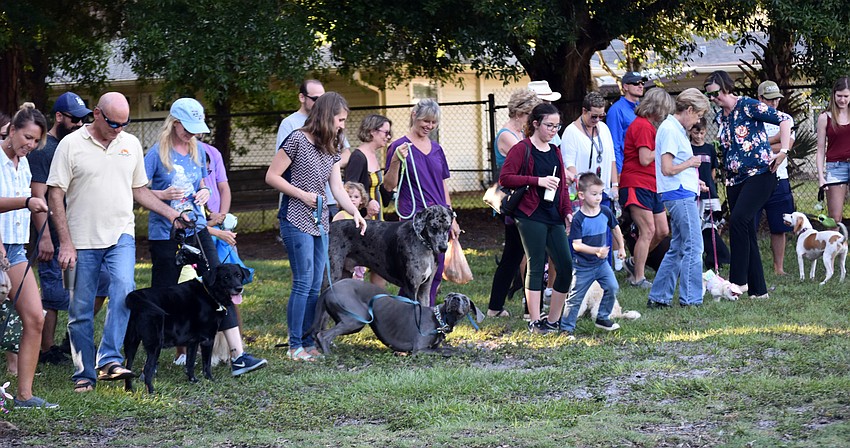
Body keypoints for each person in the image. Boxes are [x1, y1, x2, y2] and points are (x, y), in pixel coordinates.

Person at [48, 92, 184, 393]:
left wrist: (172, 214)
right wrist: (65, 243)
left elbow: (140, 189)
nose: (119, 129)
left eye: (125, 123)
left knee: (124, 289)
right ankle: (84, 373)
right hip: (81, 240)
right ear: (97, 114)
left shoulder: (130, 144)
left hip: (121, 234)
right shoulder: (71, 145)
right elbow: (55, 193)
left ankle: (109, 359)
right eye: (113, 123)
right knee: (81, 309)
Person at [145, 98, 266, 375]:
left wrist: (205, 192)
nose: (192, 134)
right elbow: (137, 190)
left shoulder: (198, 150)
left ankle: (238, 356)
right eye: (187, 128)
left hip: (197, 229)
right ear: (174, 123)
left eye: (195, 129)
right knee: (163, 293)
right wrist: (162, 194)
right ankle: (152, 360)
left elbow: (201, 182)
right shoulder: (156, 153)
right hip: (166, 234)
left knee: (219, 283)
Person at [266, 92, 366, 361]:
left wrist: (355, 212)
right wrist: (301, 194)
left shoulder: (331, 146)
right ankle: (295, 345)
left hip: (320, 220)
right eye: (340, 119)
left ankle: (309, 342)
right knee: (303, 281)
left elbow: (337, 187)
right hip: (294, 218)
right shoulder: (297, 139)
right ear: (326, 115)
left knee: (314, 285)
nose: (342, 125)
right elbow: (272, 176)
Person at [705, 71, 791, 298]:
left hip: (760, 174)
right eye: (709, 95)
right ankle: (759, 290)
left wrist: (783, 151)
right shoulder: (721, 117)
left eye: (715, 93)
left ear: (725, 87)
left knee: (739, 220)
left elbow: (784, 120)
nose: (712, 98)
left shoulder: (748, 105)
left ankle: (738, 281)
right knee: (747, 230)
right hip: (734, 179)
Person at [27, 92, 99, 365]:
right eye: (75, 119)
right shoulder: (44, 150)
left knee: (81, 288)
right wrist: (44, 237)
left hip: (76, 233)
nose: (80, 124)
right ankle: (46, 350)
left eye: (83, 119)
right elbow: (38, 197)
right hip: (53, 236)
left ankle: (70, 338)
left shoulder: (76, 145)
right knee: (54, 295)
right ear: (59, 117)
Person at [499, 103, 573, 334]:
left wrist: (567, 210)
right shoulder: (522, 148)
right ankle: (535, 320)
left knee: (565, 265)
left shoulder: (555, 150)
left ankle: (553, 320)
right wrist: (537, 181)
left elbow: (562, 185)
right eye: (549, 125)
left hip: (553, 214)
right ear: (535, 124)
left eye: (557, 126)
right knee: (536, 262)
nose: (553, 130)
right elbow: (505, 178)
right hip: (530, 213)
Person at [0, 103, 55, 408]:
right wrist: (26, 201)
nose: (31, 144)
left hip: (16, 250)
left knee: (35, 318)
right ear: (12, 130)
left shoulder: (25, 164)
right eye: (27, 137)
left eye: (36, 140)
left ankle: (24, 395)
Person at [383, 98, 461, 306]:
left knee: (436, 271)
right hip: (414, 217)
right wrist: (396, 160)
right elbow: (389, 185)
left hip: (439, 219)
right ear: (414, 116)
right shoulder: (399, 147)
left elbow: (443, 184)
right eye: (426, 121)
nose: (429, 126)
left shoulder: (437, 149)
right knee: (413, 274)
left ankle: (424, 315)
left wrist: (452, 217)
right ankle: (405, 315)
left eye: (434, 122)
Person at [646, 89, 710, 308]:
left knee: (679, 247)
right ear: (689, 109)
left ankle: (659, 296)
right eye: (698, 115)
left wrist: (694, 181)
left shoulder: (675, 129)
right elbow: (667, 168)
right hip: (679, 193)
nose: (698, 120)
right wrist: (690, 163)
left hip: (681, 190)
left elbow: (674, 167)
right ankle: (691, 299)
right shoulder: (671, 130)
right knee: (694, 246)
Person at [487, 89, 541, 317]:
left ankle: (497, 307)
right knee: (521, 254)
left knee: (514, 255)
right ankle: (526, 309)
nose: (534, 120)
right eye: (531, 114)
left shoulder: (520, 134)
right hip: (514, 202)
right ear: (520, 112)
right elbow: (531, 160)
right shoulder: (507, 135)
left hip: (525, 200)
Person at [618, 87, 674, 289]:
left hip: (651, 184)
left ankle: (634, 262)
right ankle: (638, 277)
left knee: (662, 230)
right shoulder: (642, 125)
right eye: (664, 110)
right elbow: (644, 158)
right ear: (657, 107)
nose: (665, 114)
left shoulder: (649, 127)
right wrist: (663, 146)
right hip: (637, 183)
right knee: (648, 230)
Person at [559, 172, 625, 337]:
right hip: (583, 267)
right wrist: (596, 251)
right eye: (594, 194)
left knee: (612, 286)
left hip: (601, 264)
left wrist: (622, 247)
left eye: (600, 193)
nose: (598, 197)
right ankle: (566, 328)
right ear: (581, 195)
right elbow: (577, 245)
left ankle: (602, 317)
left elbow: (615, 228)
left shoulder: (605, 211)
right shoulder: (578, 219)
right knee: (575, 298)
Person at [276, 79, 349, 218]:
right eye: (316, 98)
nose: (321, 102)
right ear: (302, 97)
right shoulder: (290, 125)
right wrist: (303, 194)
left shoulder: (332, 127)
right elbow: (280, 169)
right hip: (298, 208)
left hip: (328, 201)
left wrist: (329, 165)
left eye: (323, 98)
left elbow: (345, 153)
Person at [562, 92, 619, 265]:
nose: (597, 120)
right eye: (594, 116)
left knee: (604, 235)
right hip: (583, 195)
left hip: (603, 192)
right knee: (584, 235)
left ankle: (604, 272)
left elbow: (611, 158)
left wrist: (615, 184)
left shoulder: (604, 128)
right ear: (584, 111)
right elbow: (569, 164)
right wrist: (582, 186)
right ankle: (581, 272)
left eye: (601, 116)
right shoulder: (571, 132)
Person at [754, 81, 796, 275]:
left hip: (780, 178)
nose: (774, 103)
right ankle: (750, 266)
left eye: (776, 99)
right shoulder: (752, 119)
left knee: (779, 226)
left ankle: (779, 268)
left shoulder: (786, 119)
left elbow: (787, 146)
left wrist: (762, 145)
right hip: (754, 179)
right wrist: (777, 139)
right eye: (769, 99)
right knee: (749, 225)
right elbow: (749, 147)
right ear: (760, 98)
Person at [816, 77, 850, 225]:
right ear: (834, 95)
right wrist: (821, 176)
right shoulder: (825, 117)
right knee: (834, 219)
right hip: (835, 168)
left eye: (846, 96)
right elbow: (820, 149)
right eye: (839, 96)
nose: (842, 100)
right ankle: (833, 240)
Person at [333, 181, 375, 280]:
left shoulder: (360, 218)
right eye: (349, 196)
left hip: (357, 254)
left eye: (356, 197)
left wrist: (369, 216)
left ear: (362, 200)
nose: (352, 199)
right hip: (344, 255)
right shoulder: (341, 215)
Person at [607, 71, 648, 173]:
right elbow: (614, 144)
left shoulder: (641, 108)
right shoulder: (616, 110)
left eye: (642, 83)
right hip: (627, 167)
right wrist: (619, 172)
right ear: (625, 86)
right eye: (636, 83)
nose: (640, 86)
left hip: (641, 165)